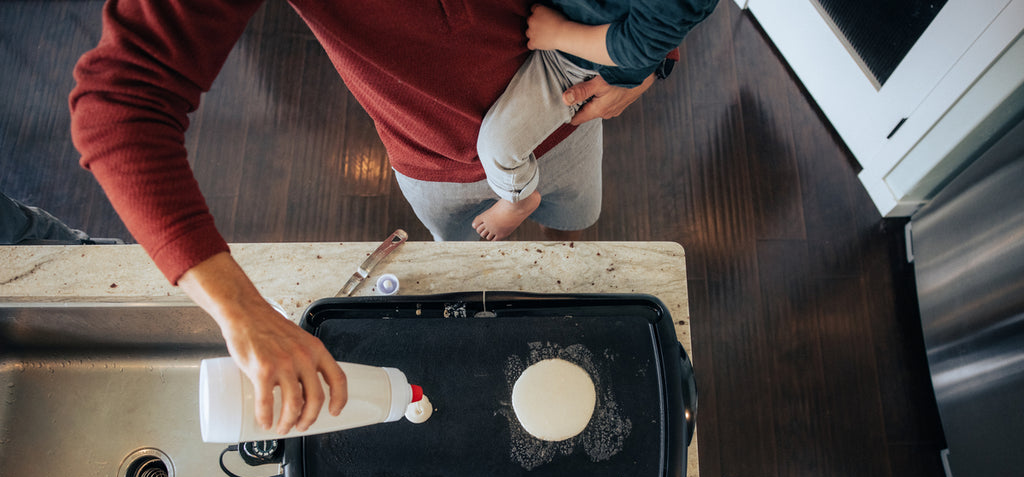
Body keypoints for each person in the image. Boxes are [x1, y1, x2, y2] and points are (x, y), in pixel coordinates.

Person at [68, 1, 663, 437]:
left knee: (577, 230)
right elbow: (120, 101)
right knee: (464, 262)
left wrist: (652, 58)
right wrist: (239, 310)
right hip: (426, 159)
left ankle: (567, 264)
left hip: (566, 111)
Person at [473, 1, 718, 241]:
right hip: (569, 36)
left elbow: (643, 43)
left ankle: (518, 200)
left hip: (576, 60)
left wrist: (558, 34)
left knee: (498, 148)